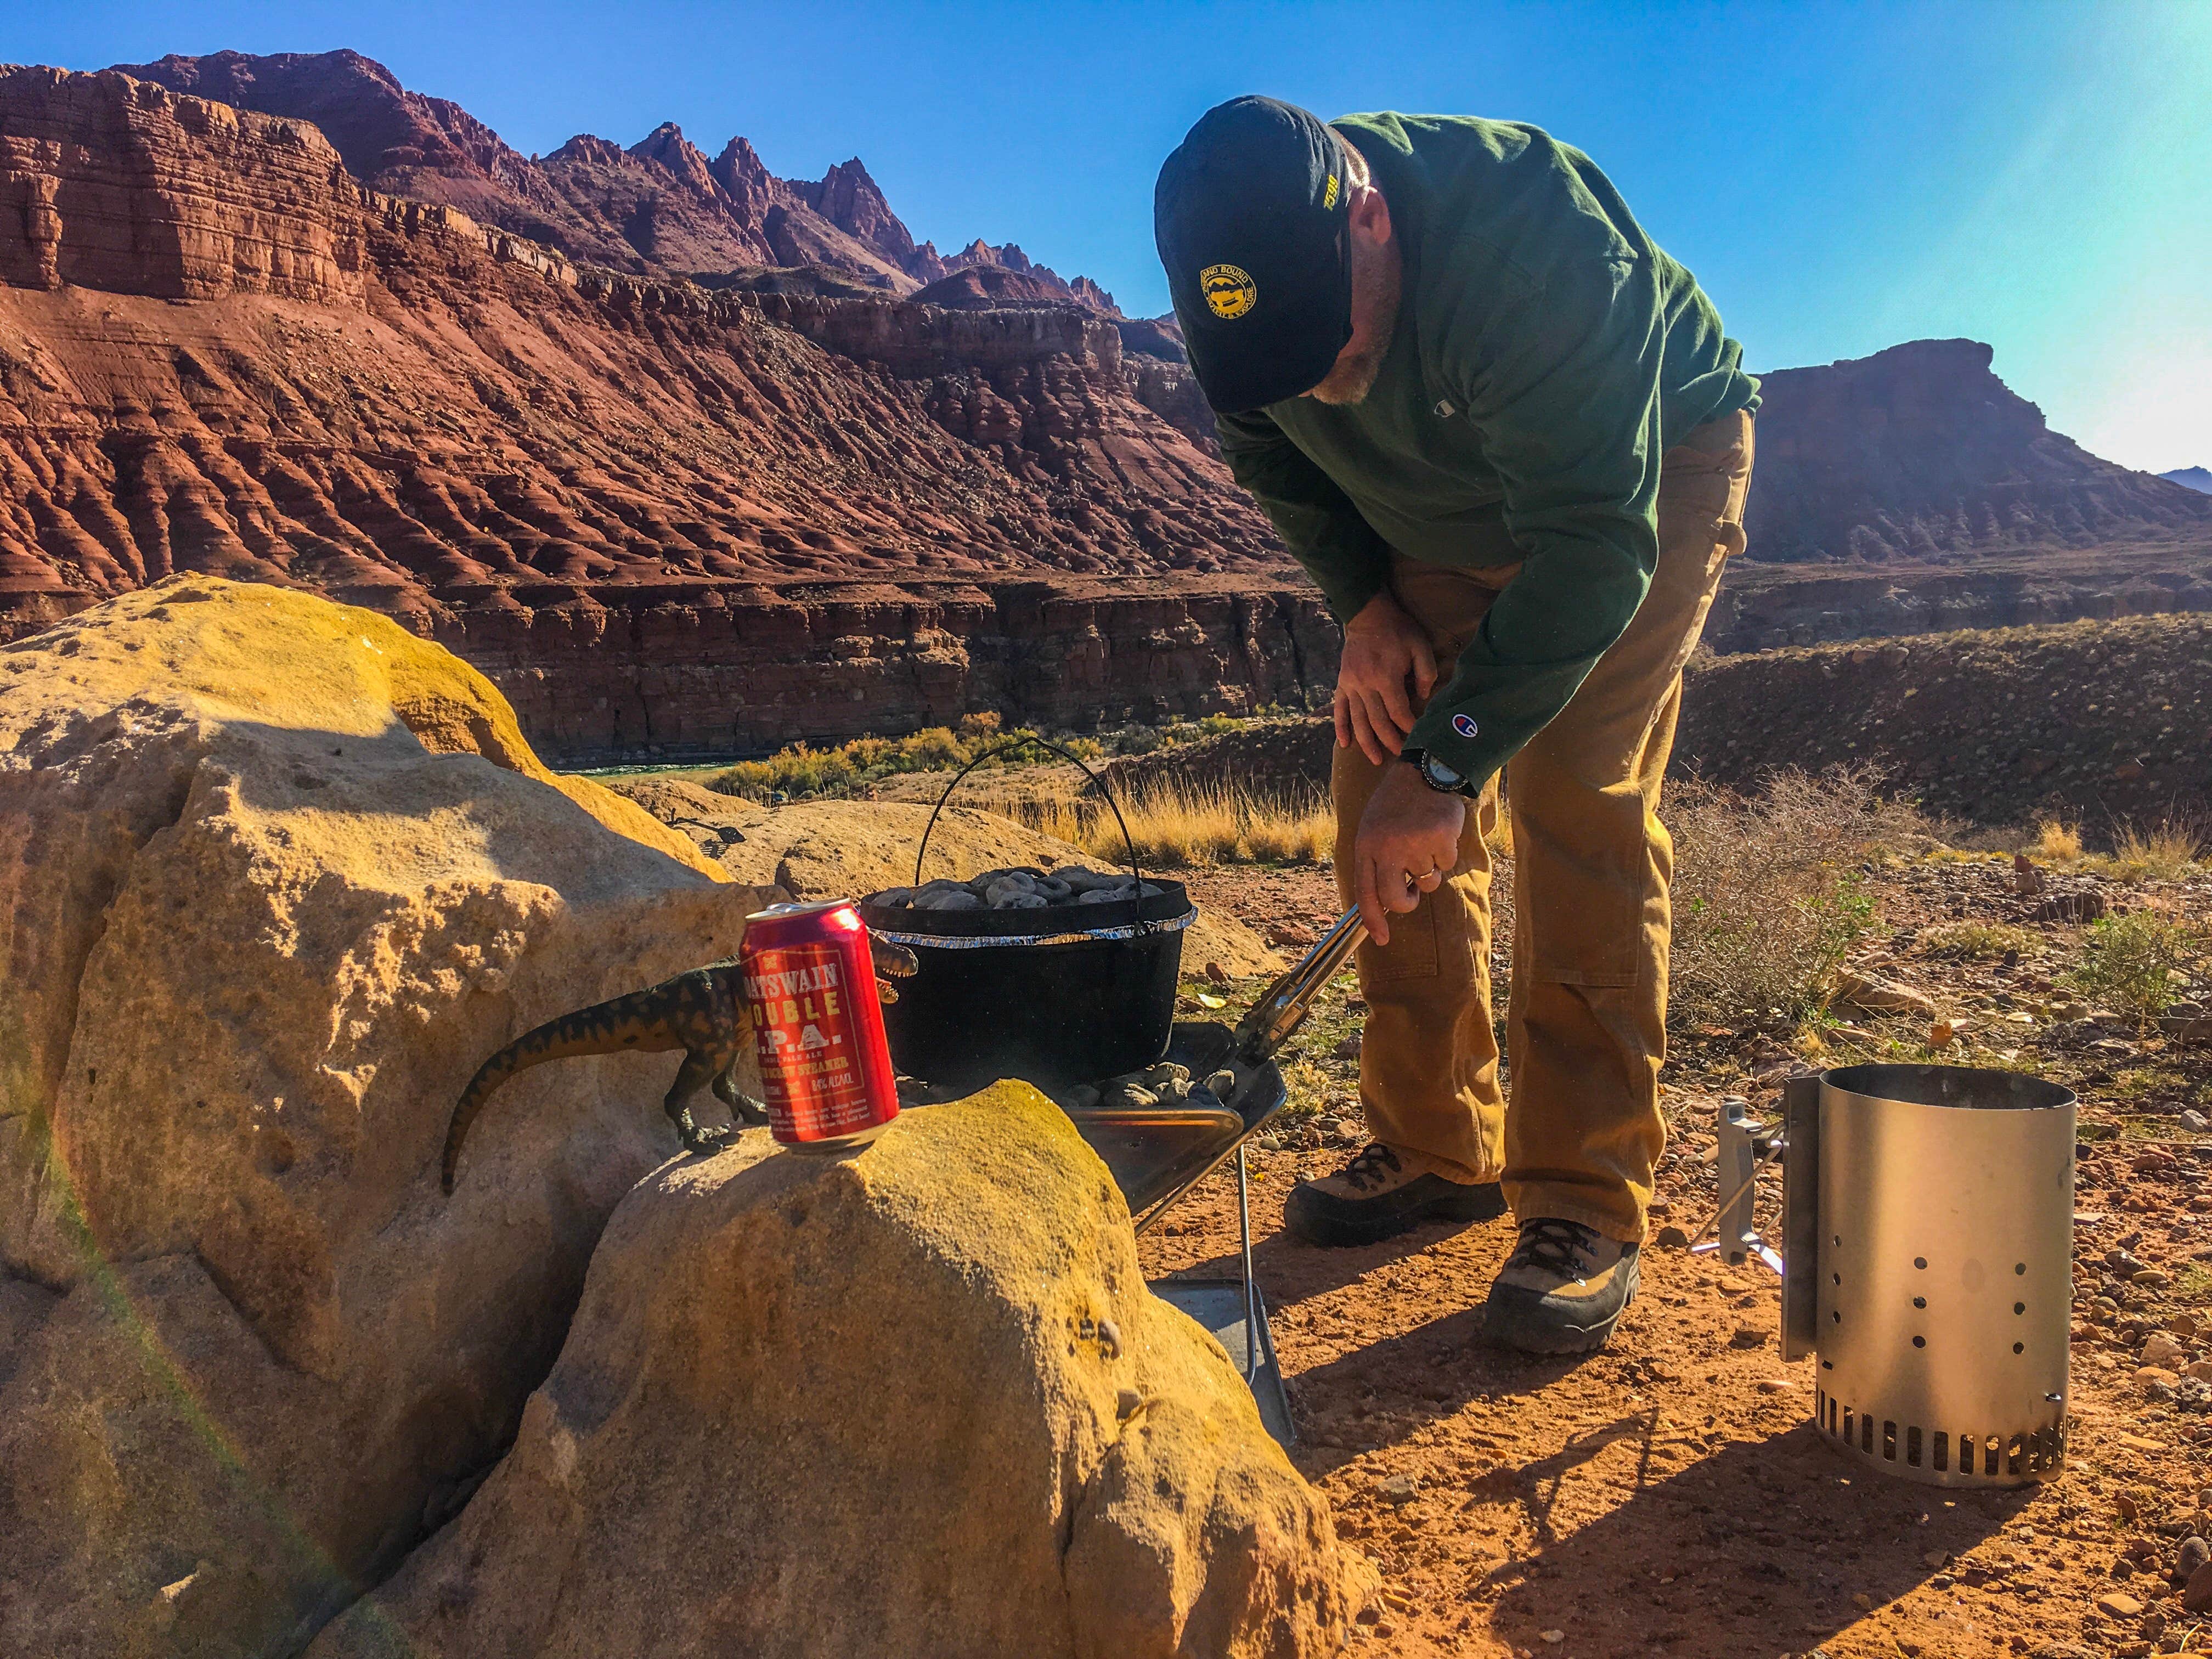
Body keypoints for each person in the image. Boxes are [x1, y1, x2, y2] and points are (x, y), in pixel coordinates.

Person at [1154, 98, 1758, 1354]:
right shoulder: (1247, 310)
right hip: (1430, 513)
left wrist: (1452, 763)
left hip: (1637, 480)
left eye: (1324, 341)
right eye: (1278, 363)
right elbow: (1273, 458)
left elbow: (1592, 550)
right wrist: (1365, 607)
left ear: (1369, 219)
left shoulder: (1537, 245)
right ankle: (1437, 1143)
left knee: (1574, 799)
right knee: (1373, 783)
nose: (1314, 380)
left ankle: (1585, 1199)